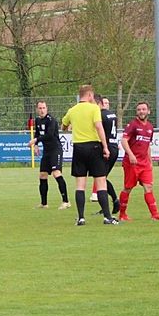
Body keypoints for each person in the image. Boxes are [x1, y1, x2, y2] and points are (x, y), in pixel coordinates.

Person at [61, 85, 118, 226]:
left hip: (79, 148)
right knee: (101, 182)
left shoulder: (72, 110)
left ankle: (81, 218)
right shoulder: (94, 109)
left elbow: (63, 126)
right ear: (90, 95)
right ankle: (107, 217)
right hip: (94, 147)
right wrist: (105, 147)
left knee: (80, 185)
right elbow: (99, 127)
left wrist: (71, 127)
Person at [118, 101, 159, 221]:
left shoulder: (150, 127)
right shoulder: (133, 125)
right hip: (132, 163)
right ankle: (122, 215)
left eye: (144, 109)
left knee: (148, 187)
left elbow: (147, 145)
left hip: (144, 163)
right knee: (128, 188)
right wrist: (131, 155)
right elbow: (124, 140)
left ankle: (155, 214)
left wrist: (150, 161)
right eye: (139, 109)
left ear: (148, 111)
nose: (141, 111)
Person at [27, 100, 70, 210]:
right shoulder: (37, 120)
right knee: (42, 175)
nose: (42, 110)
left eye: (44, 108)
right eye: (40, 108)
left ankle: (66, 201)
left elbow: (49, 135)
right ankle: (44, 203)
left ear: (47, 109)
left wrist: (35, 140)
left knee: (56, 173)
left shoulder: (51, 120)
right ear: (37, 109)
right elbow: (37, 133)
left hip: (55, 150)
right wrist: (36, 145)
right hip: (46, 151)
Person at [91, 96, 121, 214]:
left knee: (100, 179)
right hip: (114, 147)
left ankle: (114, 201)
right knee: (102, 178)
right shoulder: (112, 114)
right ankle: (108, 205)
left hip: (106, 148)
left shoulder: (99, 115)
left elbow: (99, 131)